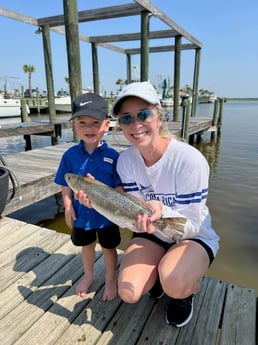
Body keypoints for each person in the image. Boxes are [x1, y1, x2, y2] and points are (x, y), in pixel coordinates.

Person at [76, 81, 219, 327]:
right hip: (152, 232)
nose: (136, 124)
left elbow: (193, 223)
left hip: (192, 236)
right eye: (126, 118)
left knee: (174, 282)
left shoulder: (189, 160)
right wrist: (97, 201)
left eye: (143, 114)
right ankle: (160, 272)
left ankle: (186, 292)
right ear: (120, 125)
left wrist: (161, 209)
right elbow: (128, 215)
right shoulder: (125, 162)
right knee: (129, 293)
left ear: (159, 117)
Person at [54, 92, 121, 301]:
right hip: (82, 215)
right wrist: (68, 206)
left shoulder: (114, 156)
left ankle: (110, 280)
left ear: (107, 125)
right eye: (82, 122)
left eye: (95, 122)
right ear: (74, 126)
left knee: (110, 249)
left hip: (108, 216)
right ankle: (89, 276)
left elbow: (119, 187)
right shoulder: (69, 155)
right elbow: (65, 184)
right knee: (87, 246)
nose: (89, 128)